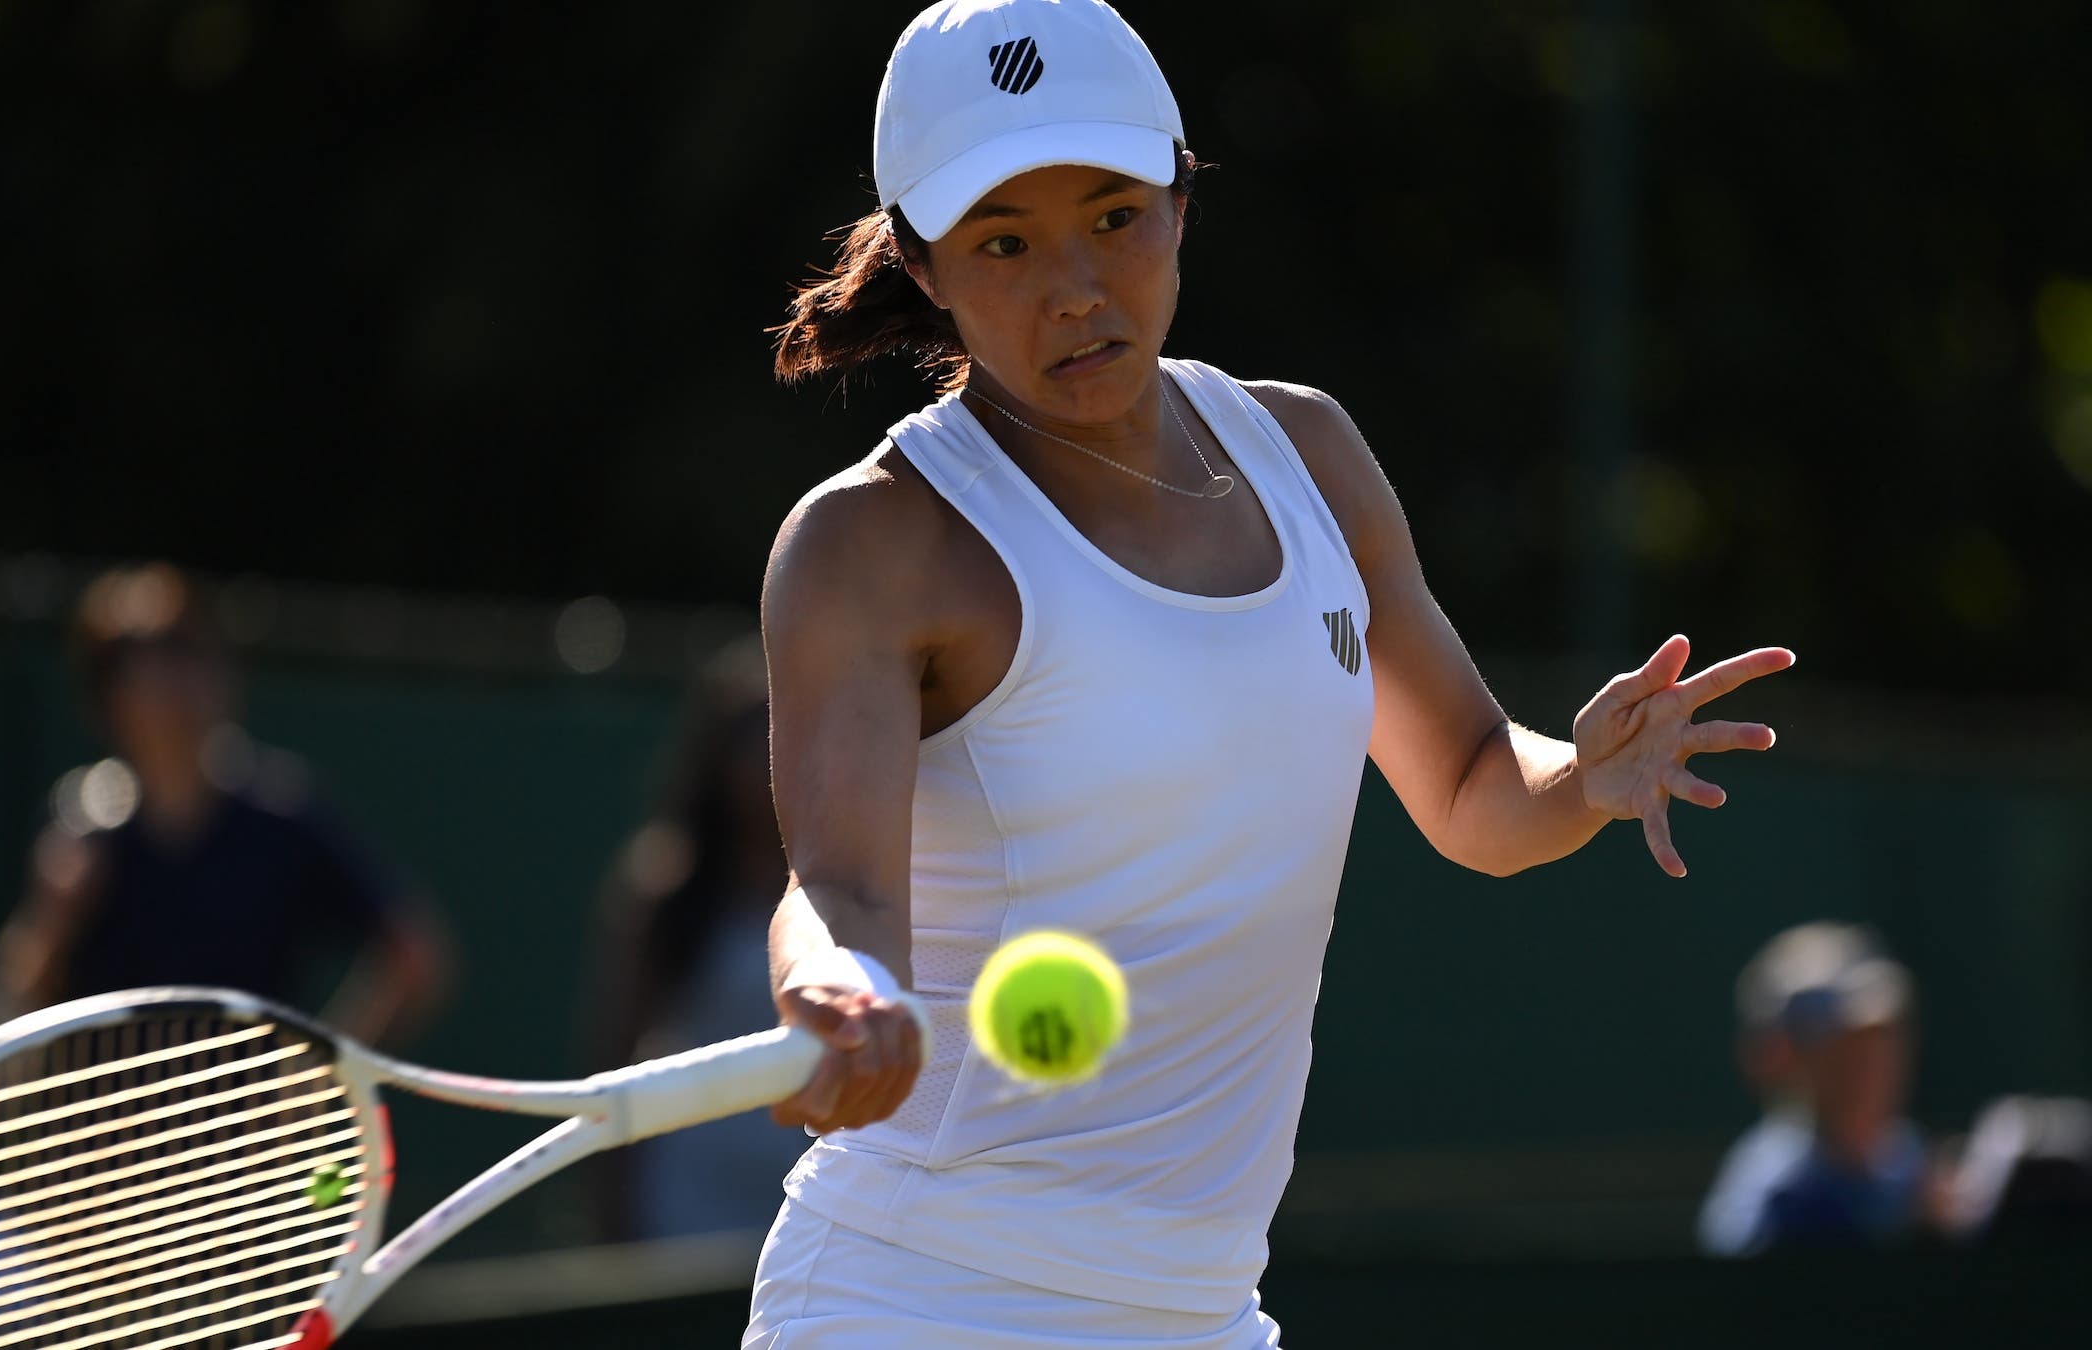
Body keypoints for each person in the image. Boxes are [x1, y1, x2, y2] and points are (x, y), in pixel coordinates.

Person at [745, 2, 1794, 1344]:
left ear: (1182, 201)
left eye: (1114, 215)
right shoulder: (868, 543)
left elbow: (1475, 786)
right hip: (915, 1298)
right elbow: (836, 892)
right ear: (926, 266)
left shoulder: (1311, 453)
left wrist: (1582, 774)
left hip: (1202, 1311)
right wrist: (835, 990)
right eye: (1005, 242)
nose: (1074, 285)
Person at [0, 562, 448, 1047]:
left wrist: (323, 1074)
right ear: (109, 698)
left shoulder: (282, 817)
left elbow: (415, 954)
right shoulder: (80, 826)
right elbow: (19, 992)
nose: (178, 686)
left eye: (188, 653)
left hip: (249, 1122)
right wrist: (55, 917)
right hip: (108, 1118)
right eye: (148, 663)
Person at [580, 637, 809, 1240]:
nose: (764, 758)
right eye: (747, 737)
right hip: (686, 1198)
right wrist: (608, 1203)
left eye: (780, 732)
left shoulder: (854, 884)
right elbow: (613, 1050)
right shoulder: (664, 886)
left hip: (810, 1194)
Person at [1698, 922, 1931, 1256]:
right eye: (1839, 1050)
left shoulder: (1908, 1160)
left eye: (1878, 1044)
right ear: (1780, 1057)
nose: (1868, 1069)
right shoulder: (1772, 1194)